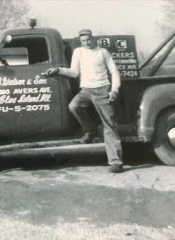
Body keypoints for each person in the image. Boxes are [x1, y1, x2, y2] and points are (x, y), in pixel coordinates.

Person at [45, 29, 123, 173]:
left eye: (88, 40)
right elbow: (74, 72)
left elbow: (114, 72)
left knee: (109, 124)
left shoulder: (102, 52)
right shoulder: (78, 52)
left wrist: (114, 90)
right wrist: (58, 70)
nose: (86, 43)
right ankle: (90, 130)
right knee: (74, 106)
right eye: (83, 41)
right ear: (80, 42)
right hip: (86, 90)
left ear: (93, 39)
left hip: (102, 89)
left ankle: (116, 161)